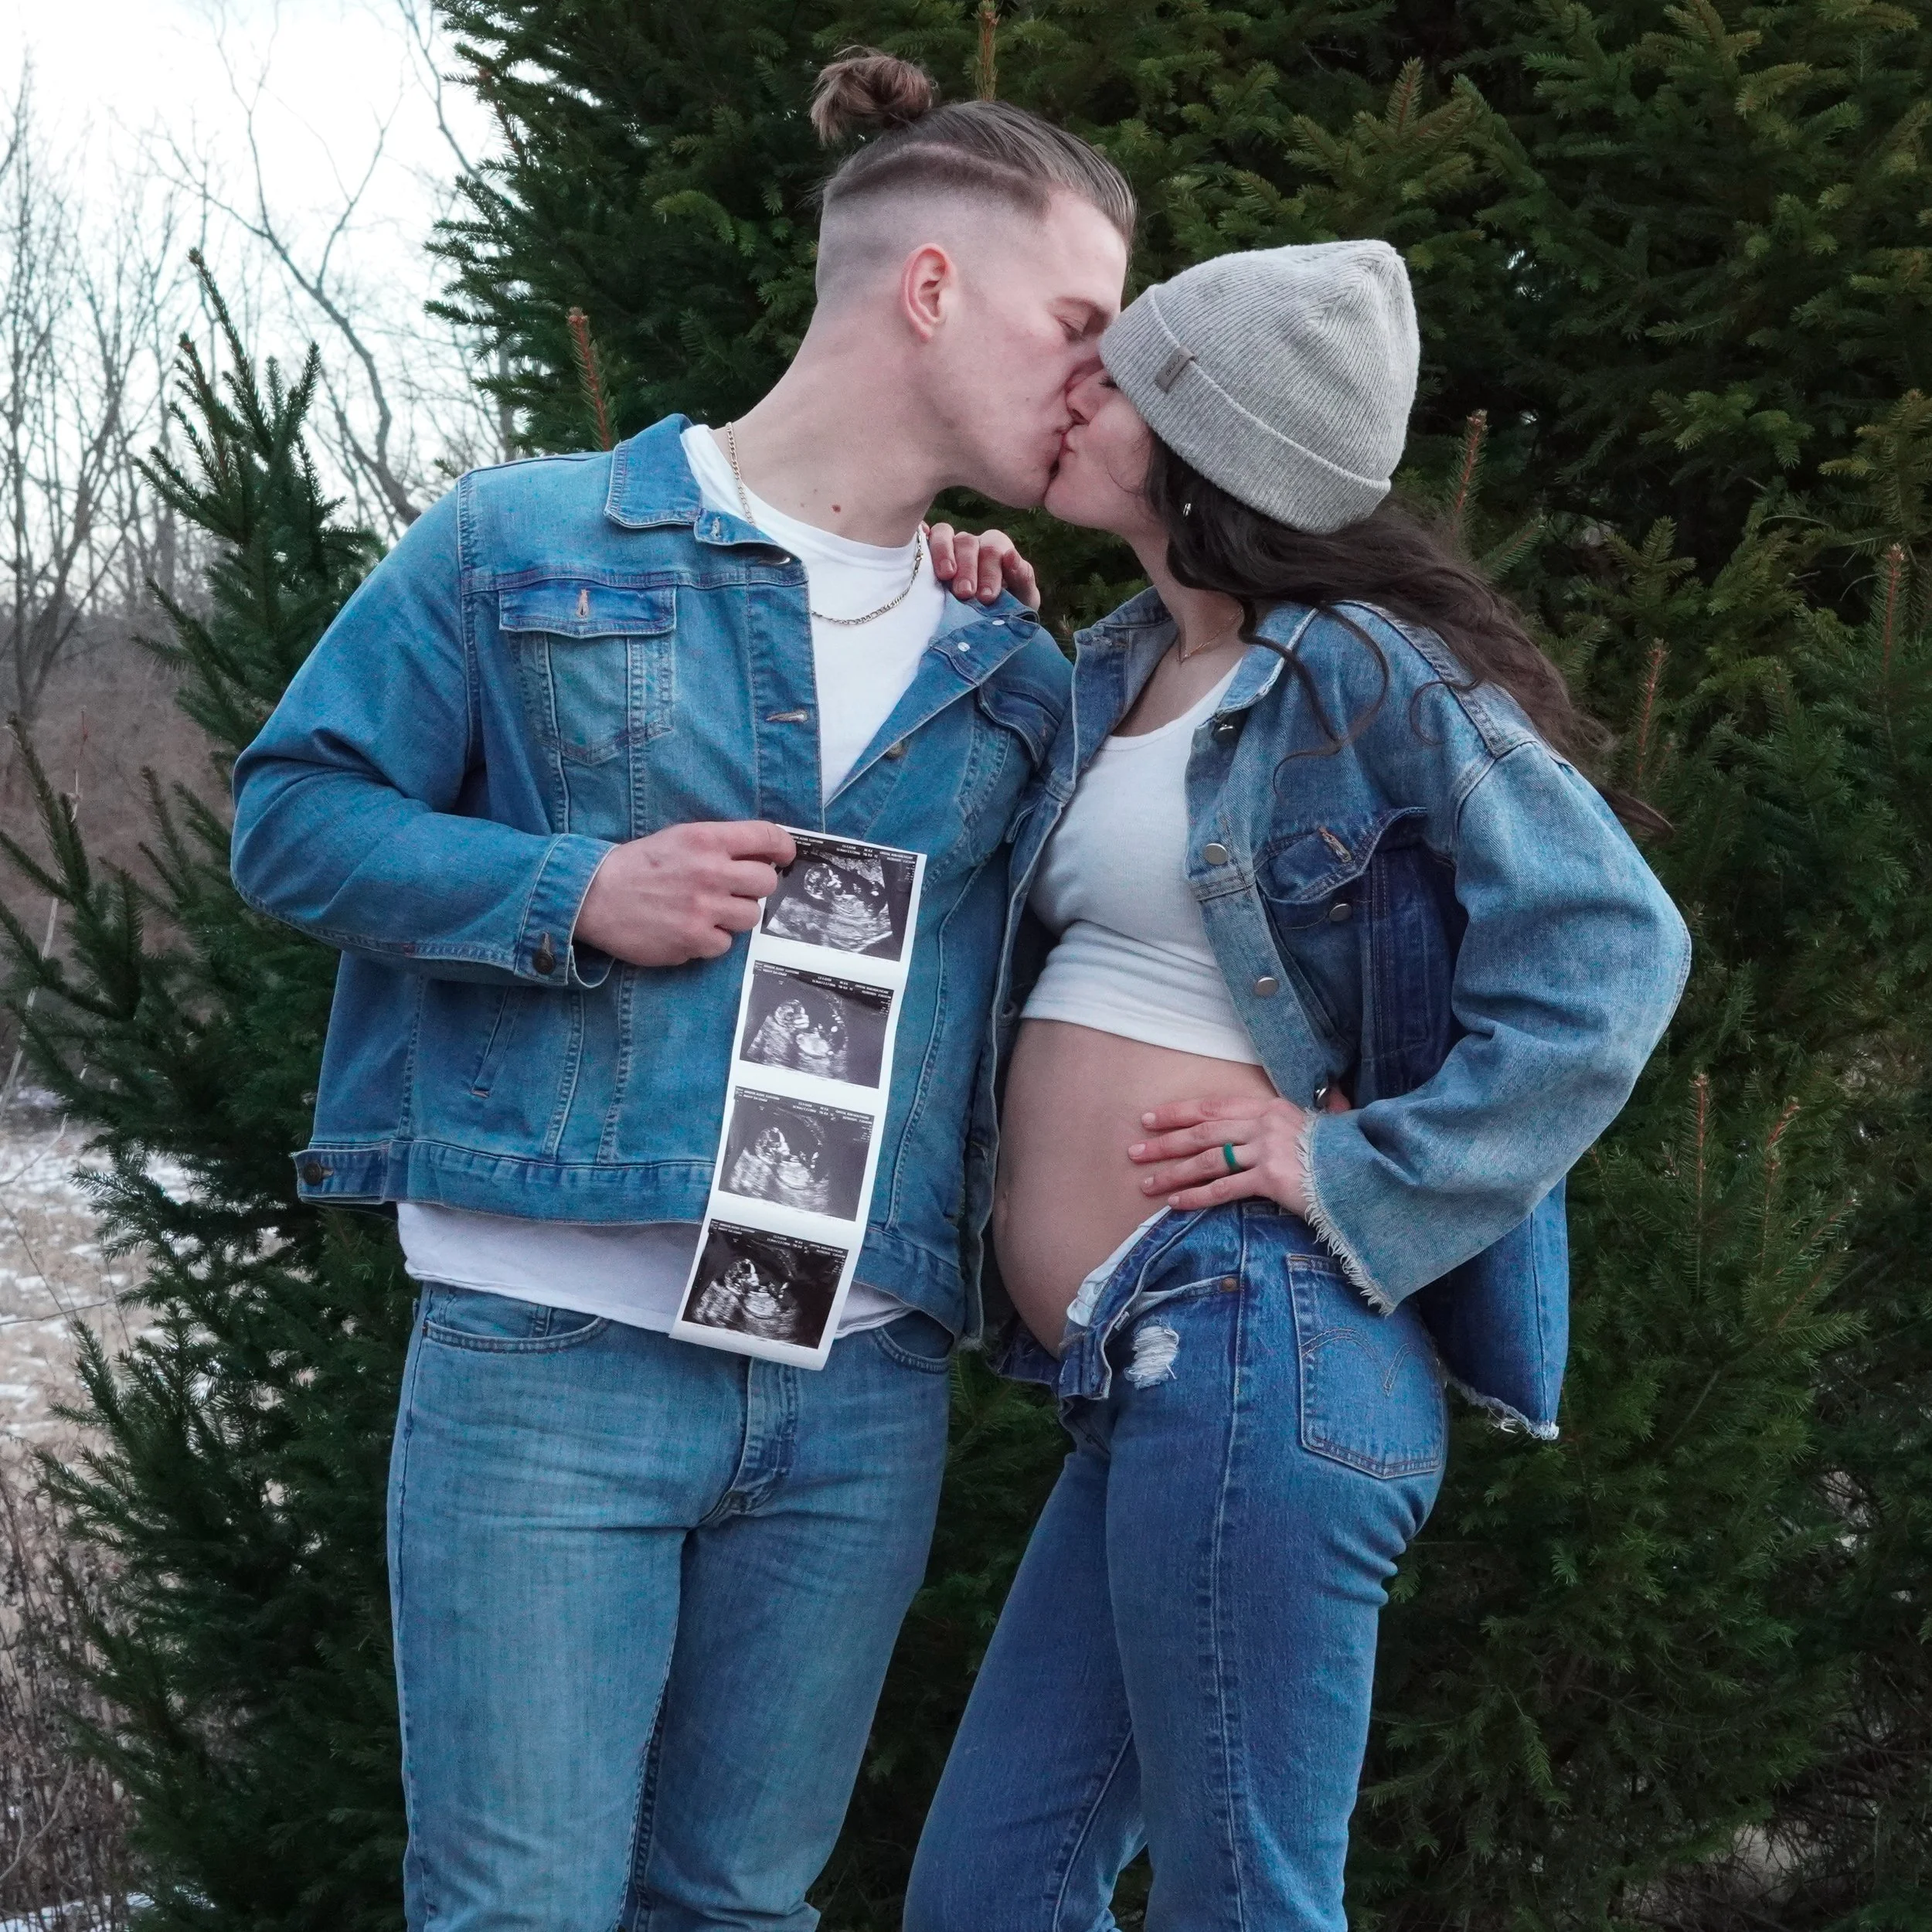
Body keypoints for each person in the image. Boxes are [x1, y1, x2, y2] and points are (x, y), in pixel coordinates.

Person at [228, 49, 1130, 1932]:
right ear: (930, 286)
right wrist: (575, 889)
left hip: (856, 1381)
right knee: (520, 1910)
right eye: (1077, 323)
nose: (1098, 379)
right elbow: (292, 817)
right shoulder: (523, 542)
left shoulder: (1007, 662)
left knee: (738, 1909)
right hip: (551, 1353)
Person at [904, 242, 1692, 1932]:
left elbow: (1612, 949)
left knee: (1245, 1900)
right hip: (1144, 1367)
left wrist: (1361, 1162)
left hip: (1254, 1337)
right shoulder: (1112, 665)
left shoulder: (1360, 669)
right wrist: (944, 606)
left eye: (1119, 374)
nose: (1075, 390)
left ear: (1210, 441)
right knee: (986, 1893)